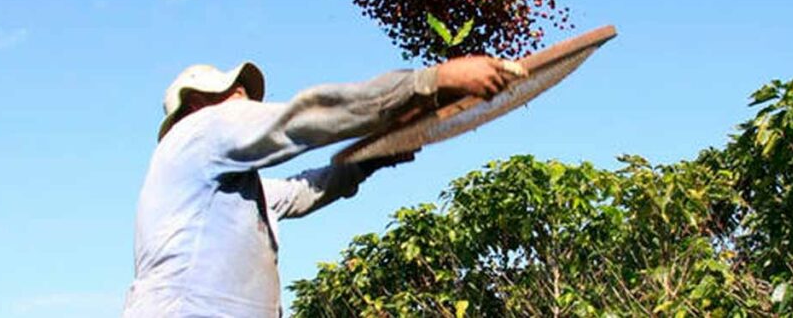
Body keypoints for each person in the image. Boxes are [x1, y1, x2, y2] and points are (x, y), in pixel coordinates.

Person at [123, 56, 522, 317]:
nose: (246, 101)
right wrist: (424, 83)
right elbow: (301, 121)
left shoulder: (232, 188)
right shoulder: (198, 131)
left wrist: (370, 160)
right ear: (195, 105)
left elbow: (301, 191)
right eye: (235, 94)